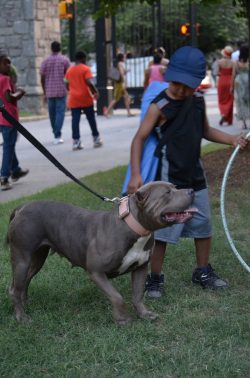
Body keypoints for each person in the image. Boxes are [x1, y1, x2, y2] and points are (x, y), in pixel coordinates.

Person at [126, 46, 249, 298]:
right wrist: (136, 174)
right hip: (168, 183)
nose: (181, 90)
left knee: (203, 226)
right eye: (176, 84)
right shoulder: (159, 106)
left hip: (196, 177)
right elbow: (139, 139)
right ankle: (155, 278)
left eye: (187, 86)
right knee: (162, 232)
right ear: (169, 76)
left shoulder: (197, 102)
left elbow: (206, 130)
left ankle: (202, 271)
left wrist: (232, 139)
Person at [0, 53, 29, 191]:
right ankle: (4, 177)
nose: (9, 65)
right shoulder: (5, 79)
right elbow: (10, 98)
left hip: (1, 118)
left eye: (9, 62)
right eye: (6, 62)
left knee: (9, 144)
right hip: (9, 118)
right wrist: (20, 92)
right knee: (8, 146)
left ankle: (15, 169)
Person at [64, 51, 103, 150]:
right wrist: (95, 92)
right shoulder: (86, 69)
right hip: (85, 98)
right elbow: (89, 82)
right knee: (91, 119)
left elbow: (66, 84)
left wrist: (71, 90)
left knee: (75, 121)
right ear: (83, 59)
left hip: (73, 99)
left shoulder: (69, 70)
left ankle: (76, 141)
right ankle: (96, 138)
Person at [40, 41, 70, 145]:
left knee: (52, 114)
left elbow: (42, 77)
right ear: (60, 48)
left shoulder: (45, 61)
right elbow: (68, 76)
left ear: (51, 48)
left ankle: (55, 133)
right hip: (61, 90)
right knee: (60, 113)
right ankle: (57, 134)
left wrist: (44, 91)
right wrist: (68, 88)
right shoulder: (65, 60)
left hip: (49, 91)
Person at [104, 53, 134, 117]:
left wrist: (126, 71)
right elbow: (121, 73)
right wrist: (124, 82)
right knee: (115, 99)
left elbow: (122, 72)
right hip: (120, 84)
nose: (125, 58)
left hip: (120, 84)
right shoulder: (120, 64)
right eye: (124, 57)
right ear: (122, 58)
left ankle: (129, 112)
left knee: (126, 97)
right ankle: (106, 112)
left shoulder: (120, 64)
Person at [232, 43, 250, 129]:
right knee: (248, 100)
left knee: (240, 101)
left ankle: (244, 123)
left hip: (239, 82)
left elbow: (233, 74)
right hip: (248, 81)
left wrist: (231, 87)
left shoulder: (236, 62)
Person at [217, 45, 234, 126]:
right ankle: (228, 117)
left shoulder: (219, 62)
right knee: (230, 99)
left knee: (222, 100)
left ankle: (223, 113)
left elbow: (217, 73)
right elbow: (234, 73)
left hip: (222, 81)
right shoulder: (233, 62)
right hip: (230, 81)